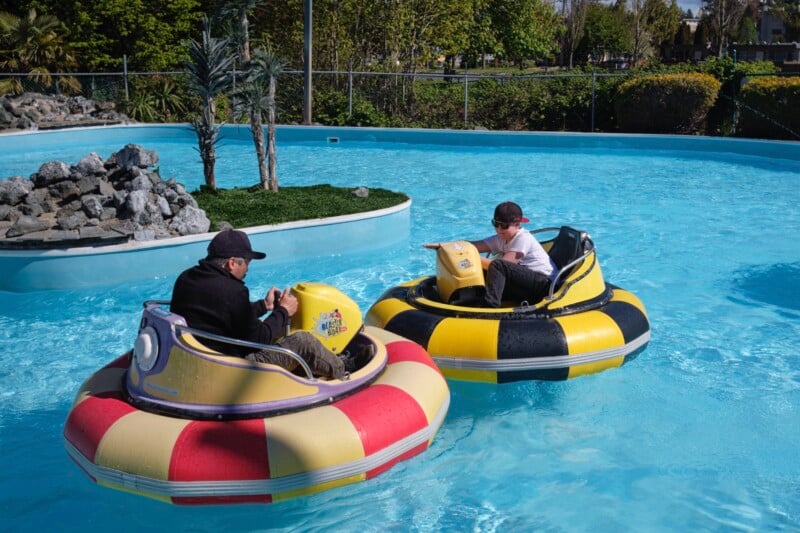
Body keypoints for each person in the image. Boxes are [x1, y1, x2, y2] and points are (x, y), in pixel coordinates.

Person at [170, 229, 347, 379]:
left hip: (199, 357)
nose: (247, 268)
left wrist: (264, 306)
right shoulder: (232, 290)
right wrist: (284, 311)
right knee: (303, 341)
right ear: (232, 263)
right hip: (233, 368)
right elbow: (259, 339)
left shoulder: (186, 278)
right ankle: (343, 370)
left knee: (278, 326)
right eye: (247, 263)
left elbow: (223, 313)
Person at [423, 201, 557, 307]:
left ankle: (489, 305)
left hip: (544, 285)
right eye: (495, 224)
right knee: (482, 270)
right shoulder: (502, 237)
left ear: (517, 224)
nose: (499, 229)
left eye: (504, 226)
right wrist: (446, 246)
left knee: (498, 266)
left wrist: (471, 258)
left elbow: (503, 266)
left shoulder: (523, 239)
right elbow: (473, 246)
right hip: (525, 284)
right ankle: (460, 298)